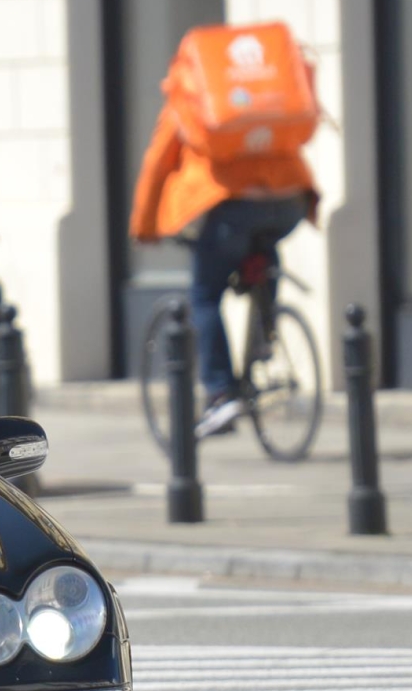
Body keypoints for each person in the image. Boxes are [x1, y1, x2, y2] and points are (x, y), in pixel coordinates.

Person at [129, 28, 321, 438]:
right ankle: (266, 333)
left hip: (233, 204)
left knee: (203, 295)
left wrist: (144, 225)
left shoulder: (189, 94)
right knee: (263, 247)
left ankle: (220, 395)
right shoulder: (263, 90)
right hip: (290, 200)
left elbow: (158, 163)